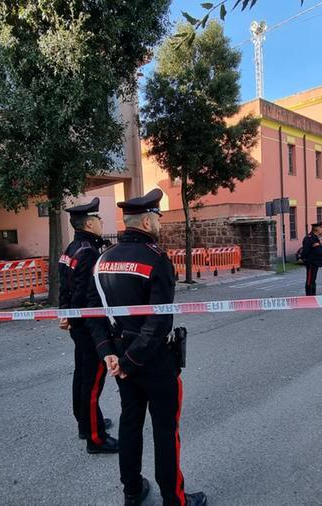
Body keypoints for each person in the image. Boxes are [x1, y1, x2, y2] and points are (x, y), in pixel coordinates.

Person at [87, 188, 208, 506]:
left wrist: (108, 354)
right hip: (153, 361)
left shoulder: (102, 260)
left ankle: (132, 492)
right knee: (166, 431)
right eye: (157, 216)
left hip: (121, 359)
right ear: (145, 220)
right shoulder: (156, 260)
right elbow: (158, 324)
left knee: (130, 423)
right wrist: (128, 360)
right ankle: (174, 499)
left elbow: (91, 311)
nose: (159, 221)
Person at [58, 197, 118, 454]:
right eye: (99, 219)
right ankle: (96, 438)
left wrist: (66, 314)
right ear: (90, 223)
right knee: (92, 380)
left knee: (82, 375)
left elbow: (65, 288)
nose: (102, 222)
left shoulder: (71, 248)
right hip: (89, 327)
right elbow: (86, 295)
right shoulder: (90, 252)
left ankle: (85, 421)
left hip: (76, 323)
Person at [301, 222, 322, 295]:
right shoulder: (309, 238)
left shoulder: (315, 238)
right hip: (311, 263)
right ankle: (309, 295)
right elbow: (305, 251)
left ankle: (313, 295)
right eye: (321, 228)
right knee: (310, 280)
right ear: (317, 229)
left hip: (316, 263)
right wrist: (306, 260)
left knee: (313, 280)